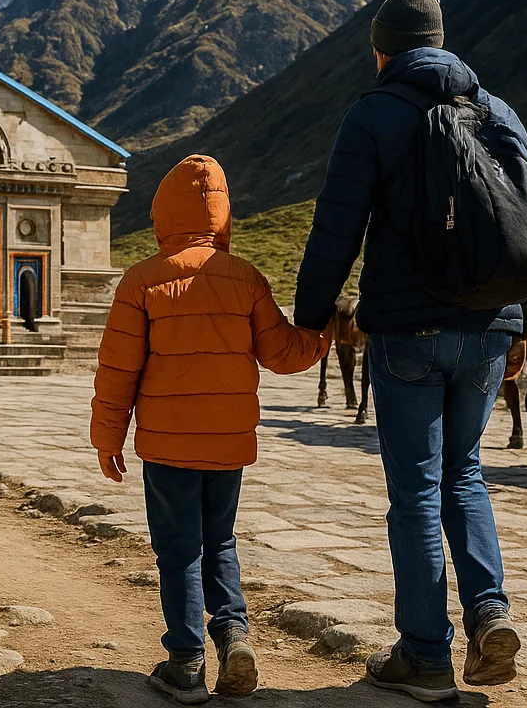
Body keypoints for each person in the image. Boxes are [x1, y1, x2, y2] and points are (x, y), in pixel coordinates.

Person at [294, 0, 527, 701]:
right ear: (440, 41)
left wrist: (310, 322)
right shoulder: (500, 111)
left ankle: (425, 655)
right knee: (466, 474)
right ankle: (489, 614)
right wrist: (524, 317)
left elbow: (336, 226)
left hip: (408, 332)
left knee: (416, 493)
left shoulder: (373, 113)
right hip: (490, 326)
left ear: (381, 48)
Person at [92, 155, 330, 704]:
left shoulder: (142, 281)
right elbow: (280, 351)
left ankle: (185, 661)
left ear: (162, 213)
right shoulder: (246, 278)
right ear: (224, 215)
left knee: (178, 550)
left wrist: (108, 437)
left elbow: (118, 369)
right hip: (228, 440)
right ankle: (234, 636)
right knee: (219, 539)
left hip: (167, 442)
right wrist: (319, 338)